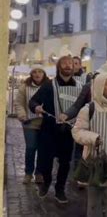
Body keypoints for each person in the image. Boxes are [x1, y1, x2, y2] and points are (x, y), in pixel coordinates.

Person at [72, 72, 107, 217]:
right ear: (99, 87)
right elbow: (77, 132)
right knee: (94, 204)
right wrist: (93, 138)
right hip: (94, 165)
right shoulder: (88, 109)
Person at [29, 56, 83, 203]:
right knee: (45, 162)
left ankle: (60, 189)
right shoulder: (49, 85)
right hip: (48, 130)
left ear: (74, 67)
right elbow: (32, 101)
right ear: (59, 67)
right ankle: (46, 182)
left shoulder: (80, 87)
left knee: (65, 163)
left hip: (68, 131)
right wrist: (36, 107)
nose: (68, 66)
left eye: (70, 64)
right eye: (64, 63)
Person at [14, 67, 49, 184]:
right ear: (31, 74)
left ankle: (39, 173)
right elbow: (19, 103)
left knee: (42, 149)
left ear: (44, 73)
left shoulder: (49, 86)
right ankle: (28, 173)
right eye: (34, 72)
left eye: (40, 71)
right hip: (29, 122)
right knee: (31, 147)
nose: (37, 74)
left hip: (45, 123)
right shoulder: (25, 87)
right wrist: (22, 115)